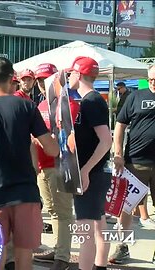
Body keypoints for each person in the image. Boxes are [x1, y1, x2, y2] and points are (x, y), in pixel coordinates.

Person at [0, 57, 59, 270]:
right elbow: (51, 149)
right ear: (11, 79)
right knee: (24, 254)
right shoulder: (27, 107)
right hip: (26, 192)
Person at [68, 56, 112, 270]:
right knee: (97, 222)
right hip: (96, 172)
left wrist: (85, 170)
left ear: (78, 74)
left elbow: (106, 141)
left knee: (84, 228)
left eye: (71, 74)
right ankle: (100, 265)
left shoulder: (90, 101)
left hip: (91, 173)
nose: (69, 78)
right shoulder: (91, 101)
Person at [32, 63, 77, 270]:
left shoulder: (67, 103)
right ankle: (59, 250)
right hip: (43, 165)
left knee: (63, 212)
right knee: (52, 210)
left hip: (60, 165)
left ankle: (62, 257)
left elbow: (70, 136)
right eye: (40, 80)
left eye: (46, 80)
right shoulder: (41, 105)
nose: (42, 84)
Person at [109, 65, 155, 264]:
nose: (154, 82)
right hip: (136, 162)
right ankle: (122, 247)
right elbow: (120, 126)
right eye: (152, 79)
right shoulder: (135, 97)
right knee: (126, 208)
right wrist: (118, 154)